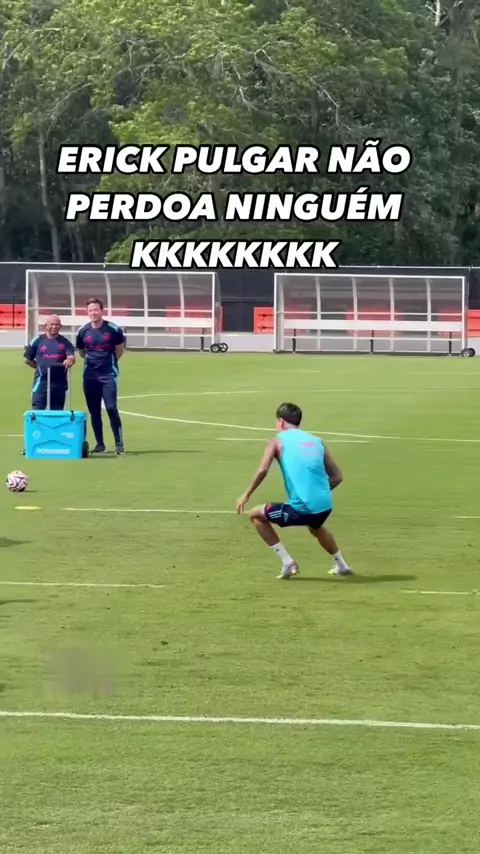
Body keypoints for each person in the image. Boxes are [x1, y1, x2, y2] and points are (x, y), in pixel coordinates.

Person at [236, 402, 352, 579]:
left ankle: (287, 562)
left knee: (256, 515)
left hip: (303, 508)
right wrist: (317, 492)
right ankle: (342, 565)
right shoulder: (317, 441)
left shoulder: (276, 442)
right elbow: (337, 477)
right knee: (315, 526)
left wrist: (246, 494)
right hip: (325, 506)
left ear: (281, 422)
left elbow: (262, 470)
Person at [75, 297, 126, 455]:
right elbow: (82, 352)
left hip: (108, 374)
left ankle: (119, 443)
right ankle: (100, 444)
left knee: (111, 408)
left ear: (101, 310)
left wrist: (108, 363)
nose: (93, 313)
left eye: (96, 310)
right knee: (94, 410)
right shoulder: (83, 331)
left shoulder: (113, 329)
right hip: (90, 375)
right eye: (90, 310)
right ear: (87, 312)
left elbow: (120, 350)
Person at [24, 315, 75, 409]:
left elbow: (71, 358)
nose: (54, 327)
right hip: (41, 382)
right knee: (38, 412)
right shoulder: (37, 340)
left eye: (57, 324)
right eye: (51, 324)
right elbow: (28, 360)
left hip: (59, 383)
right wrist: (40, 367)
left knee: (57, 413)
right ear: (46, 326)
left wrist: (69, 360)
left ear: (60, 326)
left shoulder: (65, 342)